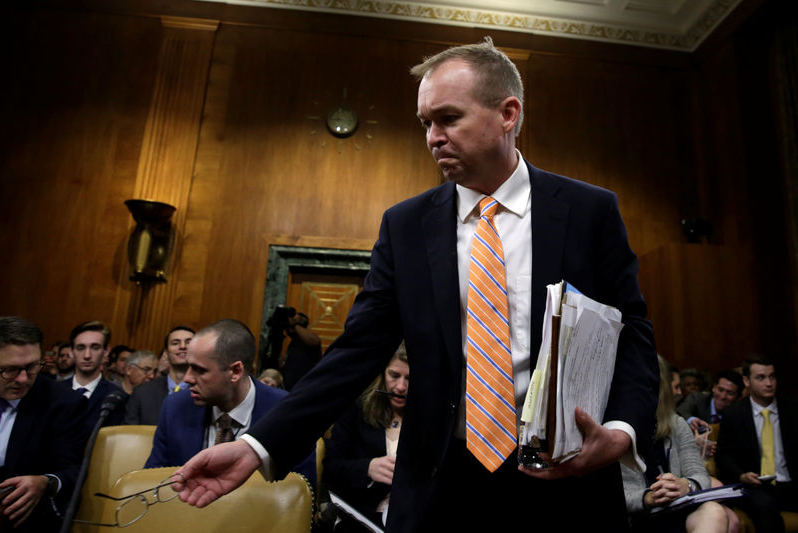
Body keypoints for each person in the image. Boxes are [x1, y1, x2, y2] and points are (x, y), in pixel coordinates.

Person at [173, 38, 658, 532]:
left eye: (448, 118)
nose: (433, 137)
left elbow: (632, 331)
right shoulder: (406, 226)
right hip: (440, 486)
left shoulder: (589, 211)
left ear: (508, 113)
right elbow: (356, 351)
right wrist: (259, 445)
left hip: (566, 480)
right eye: (426, 122)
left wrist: (621, 429)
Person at [144, 320, 315, 486]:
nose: (187, 378)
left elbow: (300, 493)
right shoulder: (175, 406)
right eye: (189, 367)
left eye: (200, 370)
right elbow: (153, 480)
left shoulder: (287, 413)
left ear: (235, 371)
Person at [0, 317, 87, 531]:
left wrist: (46, 482)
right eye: (10, 369)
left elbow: (75, 471)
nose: (22, 379)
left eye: (31, 367)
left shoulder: (64, 403)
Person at [622, 355, 729, 533]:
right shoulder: (611, 430)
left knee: (714, 512)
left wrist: (686, 485)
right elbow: (608, 496)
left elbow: (699, 474)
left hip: (677, 512)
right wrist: (648, 497)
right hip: (637, 518)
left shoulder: (676, 424)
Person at [324, 345, 409, 530]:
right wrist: (367, 468)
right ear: (383, 374)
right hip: (360, 516)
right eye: (394, 375)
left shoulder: (432, 418)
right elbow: (330, 466)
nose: (401, 387)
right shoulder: (357, 409)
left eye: (409, 378)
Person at [715, 355, 798, 533]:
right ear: (746, 381)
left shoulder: (792, 410)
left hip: (789, 483)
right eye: (761, 377)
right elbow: (723, 455)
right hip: (755, 485)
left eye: (772, 376)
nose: (769, 383)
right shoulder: (734, 414)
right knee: (764, 507)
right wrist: (741, 475)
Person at [57, 321, 126, 428]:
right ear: (71, 352)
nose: (87, 355)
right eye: (81, 348)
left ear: (106, 351)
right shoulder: (54, 392)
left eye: (95, 347)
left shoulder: (116, 397)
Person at [124, 326, 194, 425]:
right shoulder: (142, 393)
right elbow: (130, 435)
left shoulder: (207, 392)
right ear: (165, 353)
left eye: (188, 342)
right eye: (175, 343)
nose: (182, 346)